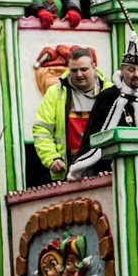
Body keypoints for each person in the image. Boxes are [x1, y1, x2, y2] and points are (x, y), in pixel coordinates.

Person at [68, 36, 138, 178]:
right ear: (122, 69)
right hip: (112, 174)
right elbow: (91, 140)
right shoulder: (107, 98)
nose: (136, 74)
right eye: (131, 69)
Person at [34, 48, 112, 182]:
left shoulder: (111, 92)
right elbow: (42, 130)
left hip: (105, 170)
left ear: (94, 67)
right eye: (74, 71)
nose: (79, 74)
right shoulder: (55, 93)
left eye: (84, 69)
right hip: (69, 172)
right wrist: (52, 158)